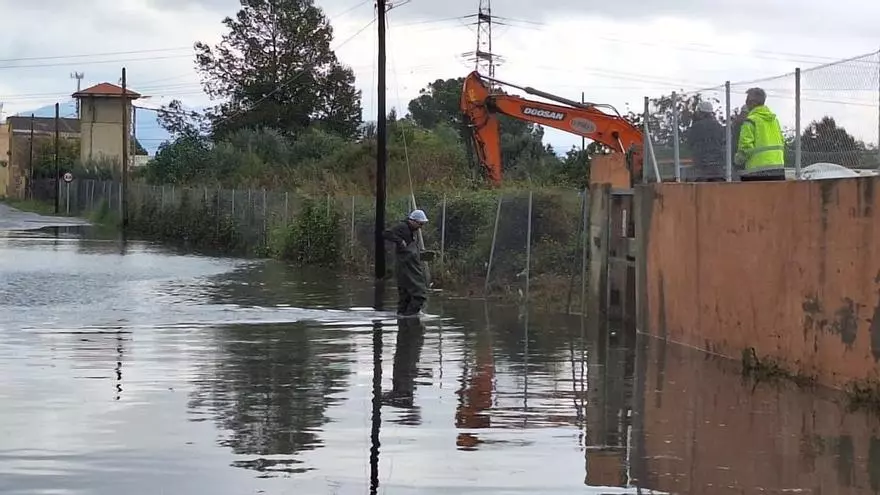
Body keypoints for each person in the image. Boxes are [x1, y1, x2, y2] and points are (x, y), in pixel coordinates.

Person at [383, 209, 429, 317]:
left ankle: (403, 320)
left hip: (406, 265)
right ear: (413, 221)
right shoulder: (402, 227)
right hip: (405, 265)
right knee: (419, 295)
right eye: (420, 224)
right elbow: (386, 233)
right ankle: (410, 317)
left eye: (423, 224)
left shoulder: (411, 230)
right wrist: (399, 241)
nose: (421, 226)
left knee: (405, 296)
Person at [735, 87, 786, 181]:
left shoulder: (750, 121)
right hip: (778, 169)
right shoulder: (774, 120)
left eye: (747, 101)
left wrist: (737, 161)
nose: (746, 104)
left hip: (757, 171)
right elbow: (782, 141)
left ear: (752, 102)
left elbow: (745, 147)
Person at [685, 100, 725, 181]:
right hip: (717, 165)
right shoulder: (719, 126)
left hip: (701, 165)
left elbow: (689, 144)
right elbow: (723, 143)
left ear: (700, 112)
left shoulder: (696, 127)